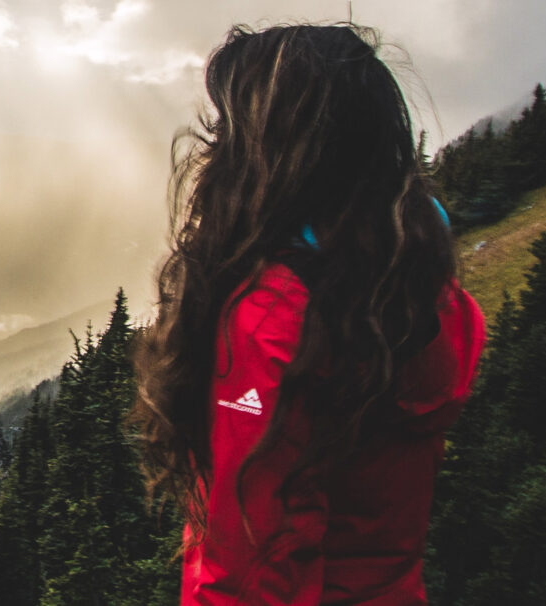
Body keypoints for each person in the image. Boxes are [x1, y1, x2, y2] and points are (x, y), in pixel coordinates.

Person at [130, 24, 486, 605]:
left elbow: (251, 567)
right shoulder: (424, 294)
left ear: (274, 154)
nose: (214, 147)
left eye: (231, 130)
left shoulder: (277, 320)